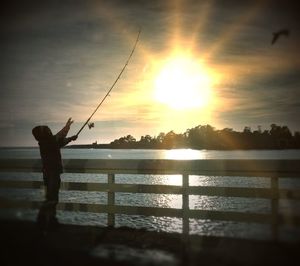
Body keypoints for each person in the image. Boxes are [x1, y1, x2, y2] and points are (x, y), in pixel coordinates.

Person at [32, 118, 77, 230]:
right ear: (43, 134)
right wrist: (67, 127)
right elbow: (59, 138)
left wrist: (70, 139)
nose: (49, 130)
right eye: (47, 130)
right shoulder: (47, 143)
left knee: (52, 197)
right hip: (52, 173)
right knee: (52, 198)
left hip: (49, 173)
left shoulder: (46, 143)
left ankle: (50, 220)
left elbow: (59, 142)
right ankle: (43, 220)